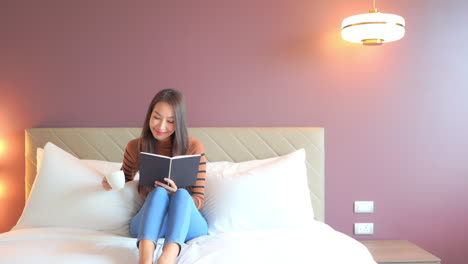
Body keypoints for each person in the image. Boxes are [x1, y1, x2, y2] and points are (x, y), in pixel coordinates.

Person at [102, 88, 208, 264]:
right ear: (149, 116)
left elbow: (198, 199)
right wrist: (110, 182)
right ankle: (145, 259)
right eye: (157, 117)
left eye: (170, 121)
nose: (161, 126)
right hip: (149, 226)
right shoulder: (136, 146)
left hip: (187, 225)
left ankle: (166, 258)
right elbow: (125, 177)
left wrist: (175, 193)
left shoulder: (194, 147)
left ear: (179, 123)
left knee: (182, 194)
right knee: (158, 193)